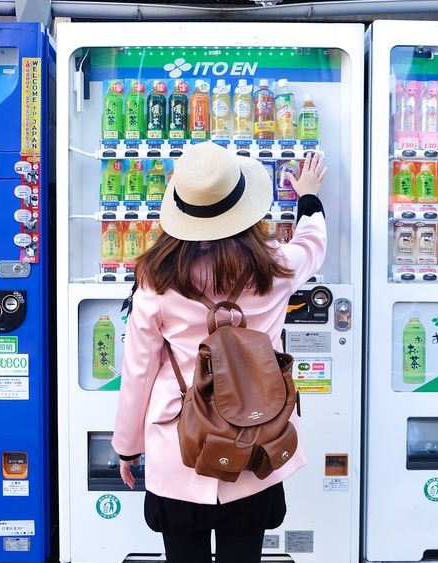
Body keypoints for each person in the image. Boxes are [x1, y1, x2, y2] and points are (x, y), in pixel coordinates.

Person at [112, 141, 327, 563]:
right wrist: (309, 195)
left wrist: (126, 446)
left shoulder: (155, 280)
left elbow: (138, 369)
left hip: (179, 445)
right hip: (255, 437)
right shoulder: (276, 265)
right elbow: (313, 244)